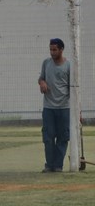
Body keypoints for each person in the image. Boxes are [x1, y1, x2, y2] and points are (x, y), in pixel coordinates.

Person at [38, 38, 70, 173]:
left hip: (64, 107)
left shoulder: (69, 66)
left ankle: (58, 166)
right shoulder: (46, 63)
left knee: (63, 137)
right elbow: (41, 78)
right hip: (48, 108)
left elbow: (73, 89)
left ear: (61, 49)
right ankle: (49, 165)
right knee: (48, 137)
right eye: (50, 49)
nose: (52, 52)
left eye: (54, 49)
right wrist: (42, 83)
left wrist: (77, 111)